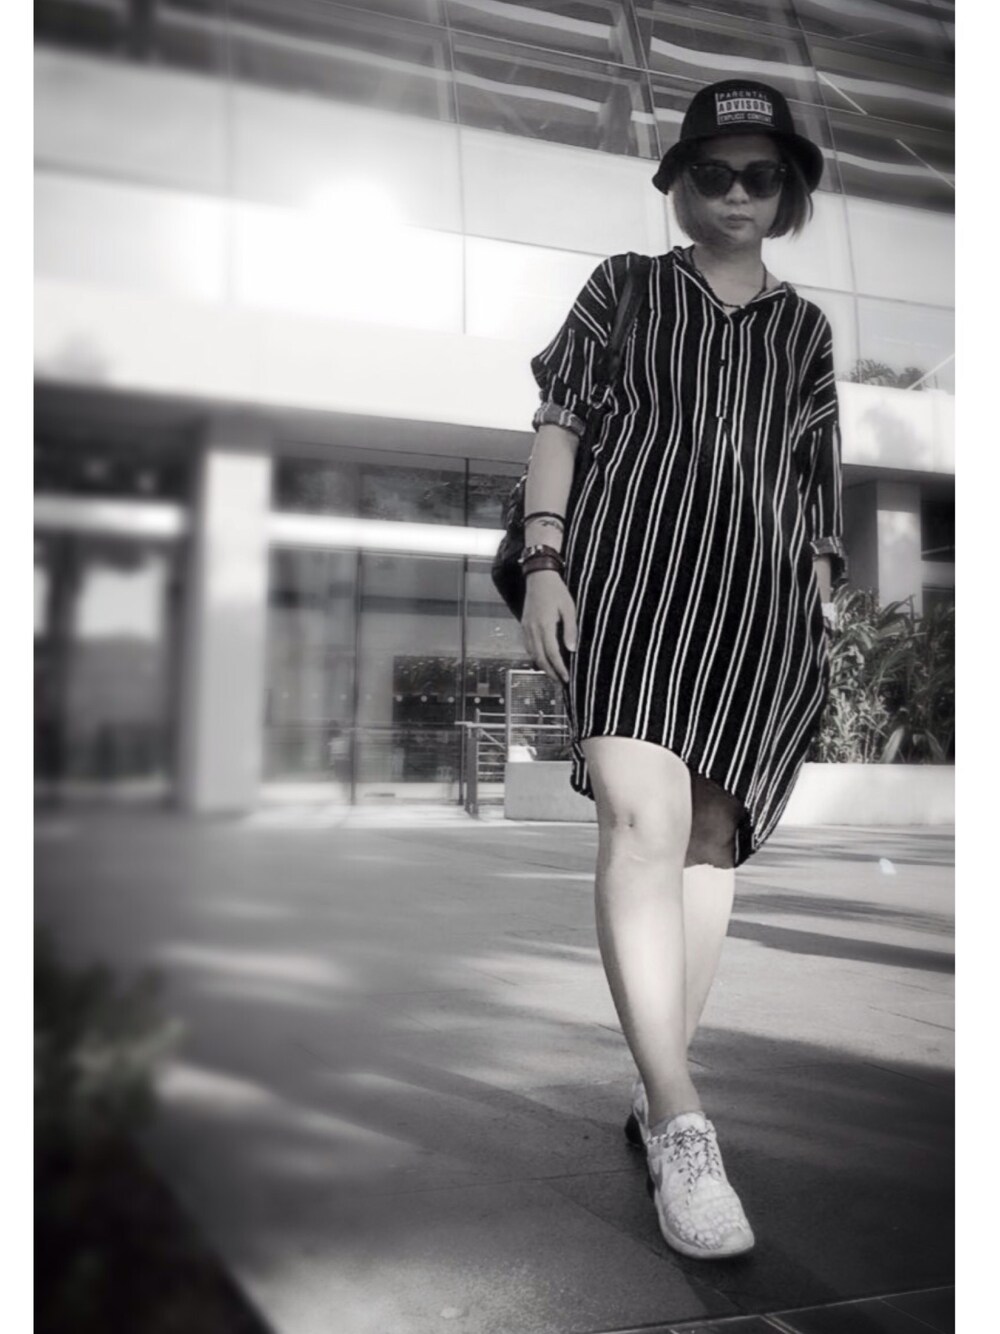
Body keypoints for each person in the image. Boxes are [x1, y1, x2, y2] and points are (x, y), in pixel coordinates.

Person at [518, 79, 847, 1261]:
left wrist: (819, 604)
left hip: (756, 612)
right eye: (714, 171)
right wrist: (545, 559)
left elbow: (815, 481)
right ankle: (683, 1120)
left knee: (708, 841)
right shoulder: (623, 286)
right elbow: (559, 421)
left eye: (761, 175)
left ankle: (658, 1087)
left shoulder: (806, 330)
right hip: (630, 587)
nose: (738, 192)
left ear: (787, 191)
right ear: (681, 182)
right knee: (638, 818)